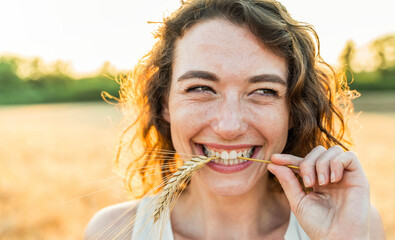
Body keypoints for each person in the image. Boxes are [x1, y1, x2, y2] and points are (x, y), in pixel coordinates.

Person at [85, 0, 385, 239]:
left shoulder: (355, 224)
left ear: (294, 110)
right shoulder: (113, 232)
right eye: (200, 88)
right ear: (164, 104)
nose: (229, 127)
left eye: (263, 91)